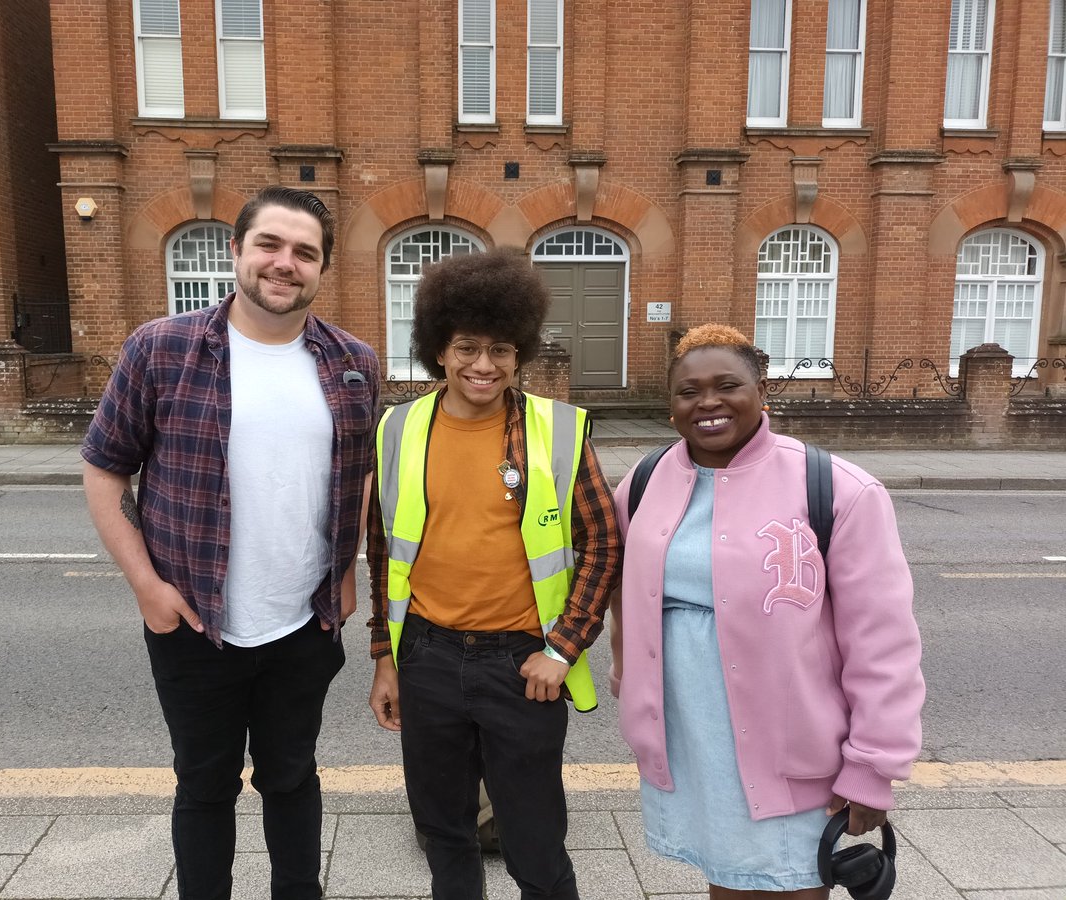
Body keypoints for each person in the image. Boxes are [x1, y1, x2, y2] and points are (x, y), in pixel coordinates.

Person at [81, 185, 380, 900]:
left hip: (304, 623)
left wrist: (348, 573)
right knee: (206, 784)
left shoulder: (354, 363)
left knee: (292, 777)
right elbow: (102, 470)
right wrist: (148, 589)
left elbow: (362, 472)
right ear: (236, 251)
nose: (285, 264)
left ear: (322, 268)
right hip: (192, 622)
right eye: (269, 245)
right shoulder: (162, 348)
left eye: (304, 252)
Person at [609, 323, 925, 899]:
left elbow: (884, 646)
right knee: (726, 875)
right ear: (670, 405)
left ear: (762, 393)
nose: (708, 402)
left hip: (789, 741)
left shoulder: (838, 489)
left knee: (793, 882)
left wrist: (872, 766)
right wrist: (626, 667)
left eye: (727, 385)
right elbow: (622, 584)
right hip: (690, 731)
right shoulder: (645, 481)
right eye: (688, 390)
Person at [366, 247, 620, 900]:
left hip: (521, 668)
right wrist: (385, 659)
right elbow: (382, 547)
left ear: (520, 353)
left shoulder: (557, 431)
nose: (484, 365)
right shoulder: (397, 428)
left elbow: (603, 544)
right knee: (445, 835)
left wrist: (562, 650)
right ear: (438, 349)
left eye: (501, 350)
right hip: (427, 656)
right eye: (467, 347)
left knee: (535, 844)